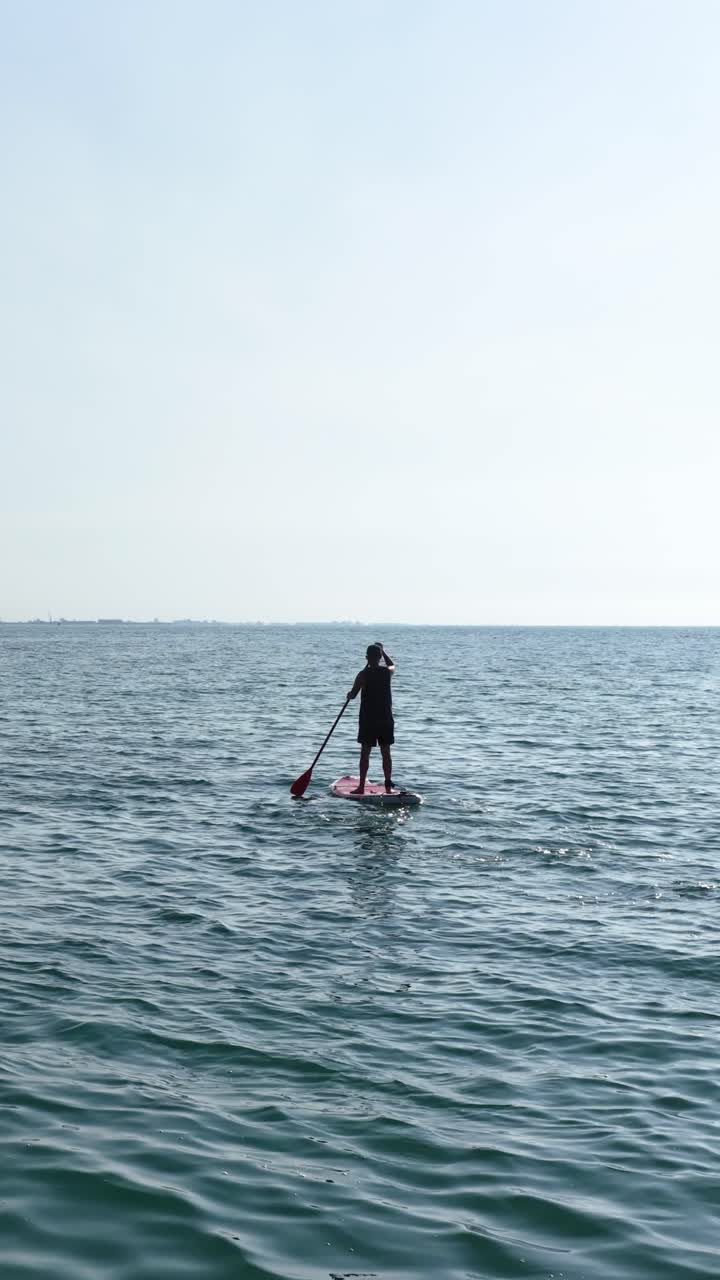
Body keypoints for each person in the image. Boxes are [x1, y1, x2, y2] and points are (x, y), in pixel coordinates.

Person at [347, 642, 396, 793]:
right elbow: (392, 665)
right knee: (385, 752)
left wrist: (349, 694)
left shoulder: (363, 675)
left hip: (368, 720)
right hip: (385, 719)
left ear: (367, 658)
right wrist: (384, 651)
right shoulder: (387, 672)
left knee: (365, 753)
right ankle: (388, 784)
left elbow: (353, 695)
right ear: (380, 657)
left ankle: (361, 787)